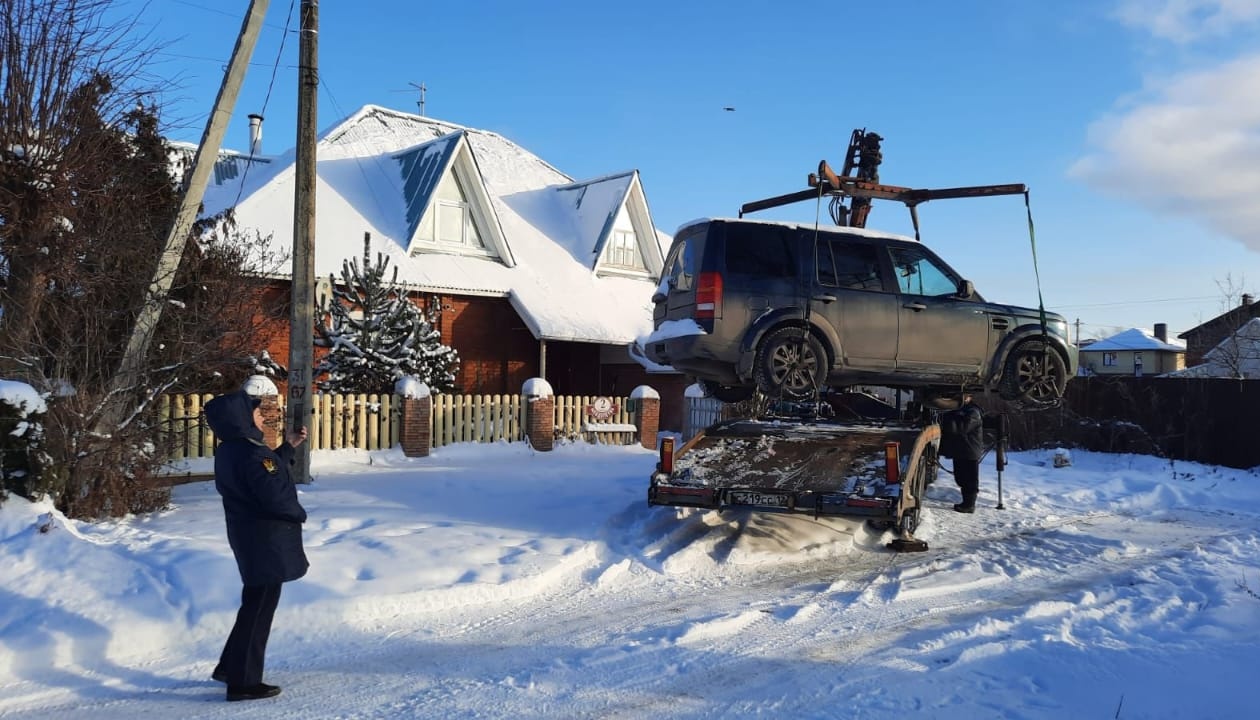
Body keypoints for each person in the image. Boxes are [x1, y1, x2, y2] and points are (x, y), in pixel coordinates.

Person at [203, 389, 309, 702]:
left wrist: (287, 447)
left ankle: (230, 668)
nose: (263, 417)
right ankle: (244, 682)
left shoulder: (232, 450)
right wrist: (298, 513)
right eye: (257, 413)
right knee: (258, 609)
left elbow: (266, 472)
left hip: (250, 538)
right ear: (241, 419)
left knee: (253, 603)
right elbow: (273, 493)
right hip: (265, 540)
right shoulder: (252, 454)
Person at [941, 392, 985, 513]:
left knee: (969, 480)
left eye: (965, 396)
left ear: (970, 398)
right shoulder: (961, 410)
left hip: (969, 451)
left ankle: (969, 505)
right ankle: (966, 502)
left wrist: (949, 417)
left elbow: (962, 428)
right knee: (960, 478)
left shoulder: (973, 412)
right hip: (961, 450)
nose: (961, 398)